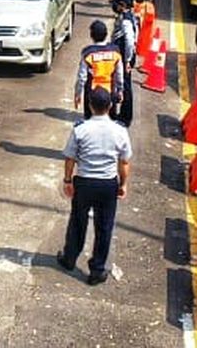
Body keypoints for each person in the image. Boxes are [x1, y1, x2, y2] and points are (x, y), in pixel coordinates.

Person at [56, 85, 132, 285]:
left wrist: (67, 180)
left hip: (84, 182)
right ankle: (97, 270)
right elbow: (124, 162)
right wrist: (123, 185)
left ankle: (69, 258)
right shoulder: (120, 131)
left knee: (78, 222)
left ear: (90, 105)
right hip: (107, 184)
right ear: (109, 106)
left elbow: (70, 157)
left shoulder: (80, 129)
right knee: (104, 227)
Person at [74, 20, 124, 121]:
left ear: (92, 35)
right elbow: (119, 74)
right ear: (106, 34)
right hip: (110, 92)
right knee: (111, 120)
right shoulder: (115, 51)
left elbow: (82, 78)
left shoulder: (88, 53)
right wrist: (120, 90)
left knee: (90, 120)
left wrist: (78, 94)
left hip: (92, 94)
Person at [110, 0, 139, 127]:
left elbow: (129, 40)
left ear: (123, 6)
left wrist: (127, 60)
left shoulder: (126, 21)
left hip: (124, 56)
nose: (115, 6)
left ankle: (125, 117)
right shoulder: (130, 17)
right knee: (123, 84)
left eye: (117, 4)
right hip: (126, 56)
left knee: (124, 86)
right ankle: (121, 114)